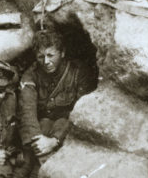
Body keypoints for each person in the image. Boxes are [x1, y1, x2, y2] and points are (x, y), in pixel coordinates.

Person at [18, 27, 97, 166]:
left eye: (50, 55)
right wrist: (39, 142)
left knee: (61, 123)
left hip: (68, 130)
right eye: (41, 57)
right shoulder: (31, 75)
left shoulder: (78, 72)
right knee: (43, 126)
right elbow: (27, 111)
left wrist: (55, 140)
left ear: (62, 53)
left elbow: (81, 113)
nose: (46, 62)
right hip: (41, 130)